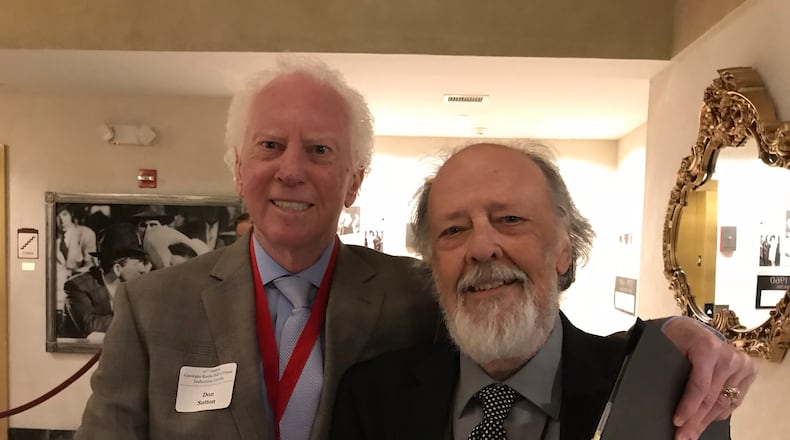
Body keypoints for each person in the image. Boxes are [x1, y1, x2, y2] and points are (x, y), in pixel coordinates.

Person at [75, 56, 754, 440]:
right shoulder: (152, 305)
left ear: (354, 181)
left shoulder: (413, 294)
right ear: (237, 167)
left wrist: (683, 335)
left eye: (320, 151)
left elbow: (536, 337)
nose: (291, 169)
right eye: (269, 147)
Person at [331, 142, 754, 440]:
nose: (480, 247)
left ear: (564, 251)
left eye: (510, 219)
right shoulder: (373, 399)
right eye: (454, 230)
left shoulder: (655, 391)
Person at [60, 223, 150, 339]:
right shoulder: (77, 286)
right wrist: (137, 320)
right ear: (117, 269)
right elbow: (91, 325)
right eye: (138, 263)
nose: (143, 269)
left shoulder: (137, 286)